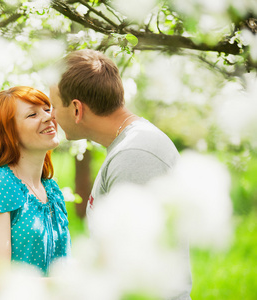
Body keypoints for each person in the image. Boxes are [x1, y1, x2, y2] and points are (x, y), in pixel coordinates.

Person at [49, 49, 192, 300]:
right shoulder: (128, 146)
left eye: (53, 106)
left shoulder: (136, 154)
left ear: (76, 109)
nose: (50, 116)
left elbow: (135, 264)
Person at [0, 86, 71, 300]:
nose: (48, 117)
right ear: (8, 132)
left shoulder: (51, 189)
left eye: (48, 109)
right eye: (33, 114)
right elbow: (0, 283)